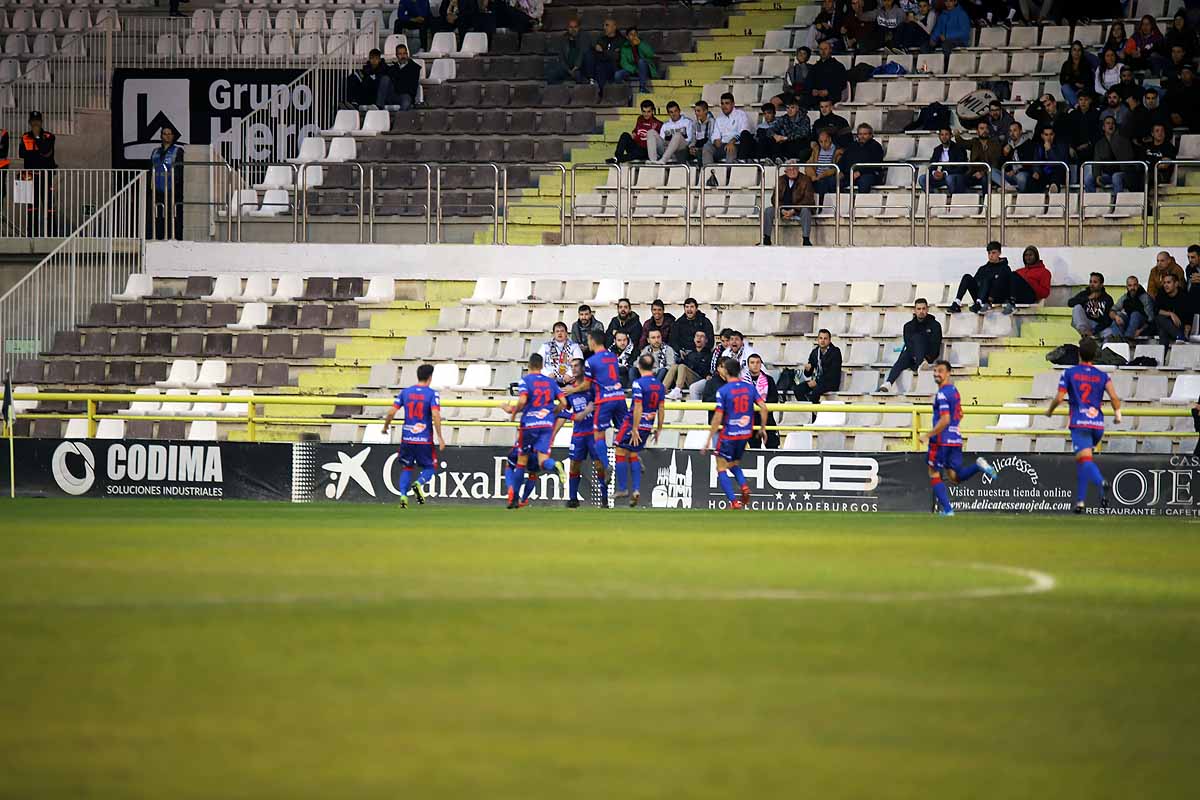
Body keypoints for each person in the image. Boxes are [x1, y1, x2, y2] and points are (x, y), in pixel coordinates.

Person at [1046, 337, 1122, 513]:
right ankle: (1080, 502)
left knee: (1085, 460)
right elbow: (1114, 397)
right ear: (1095, 355)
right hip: (1097, 425)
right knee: (1083, 460)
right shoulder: (1103, 375)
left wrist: (1049, 411)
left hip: (1080, 423)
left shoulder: (1069, 373)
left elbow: (1059, 397)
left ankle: (1101, 482)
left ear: (1079, 353)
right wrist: (1118, 415)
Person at [919, 360, 998, 517]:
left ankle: (948, 510)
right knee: (954, 477)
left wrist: (928, 435)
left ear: (948, 373)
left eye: (940, 371)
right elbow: (960, 414)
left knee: (933, 472)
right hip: (955, 438)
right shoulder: (954, 391)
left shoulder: (942, 394)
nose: (936, 374)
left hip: (941, 440)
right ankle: (978, 466)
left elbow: (945, 419)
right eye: (935, 371)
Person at [701, 358, 769, 510]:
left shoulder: (723, 391)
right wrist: (763, 428)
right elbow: (763, 408)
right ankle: (744, 486)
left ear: (725, 371)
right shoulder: (749, 388)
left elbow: (718, 416)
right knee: (733, 464)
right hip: (745, 433)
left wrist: (709, 438)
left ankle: (734, 501)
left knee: (720, 467)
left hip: (728, 433)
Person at [502, 353, 568, 509]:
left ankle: (515, 498)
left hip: (530, 425)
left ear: (529, 365)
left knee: (521, 461)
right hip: (546, 424)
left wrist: (513, 412)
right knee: (542, 461)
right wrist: (553, 412)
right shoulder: (550, 382)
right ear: (542, 365)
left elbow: (523, 400)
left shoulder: (526, 381)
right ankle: (555, 465)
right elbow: (564, 402)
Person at [380, 363, 447, 509]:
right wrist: (440, 437)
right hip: (424, 439)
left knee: (406, 467)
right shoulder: (432, 394)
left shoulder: (405, 392)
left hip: (407, 439)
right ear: (430, 377)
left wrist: (385, 427)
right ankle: (419, 483)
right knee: (430, 466)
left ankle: (403, 498)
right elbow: (435, 414)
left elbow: (391, 412)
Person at [564, 329, 628, 477]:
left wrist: (572, 390)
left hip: (605, 400)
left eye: (588, 340)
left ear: (592, 341)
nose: (588, 343)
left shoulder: (591, 361)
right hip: (619, 397)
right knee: (624, 431)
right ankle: (634, 459)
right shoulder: (613, 356)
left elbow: (586, 385)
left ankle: (607, 465)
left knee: (598, 435)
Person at [614, 355, 665, 506]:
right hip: (648, 425)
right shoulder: (660, 385)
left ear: (638, 366)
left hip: (633, 423)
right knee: (634, 453)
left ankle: (622, 488)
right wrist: (659, 428)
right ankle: (636, 489)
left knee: (620, 450)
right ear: (654, 366)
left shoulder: (638, 383)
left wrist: (634, 428)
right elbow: (661, 408)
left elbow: (638, 406)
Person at [561, 358, 607, 509]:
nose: (573, 369)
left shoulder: (592, 386)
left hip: (594, 432)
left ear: (583, 368)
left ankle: (604, 499)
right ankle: (573, 499)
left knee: (600, 466)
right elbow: (563, 410)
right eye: (571, 366)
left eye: (576, 366)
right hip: (579, 433)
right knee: (574, 465)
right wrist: (573, 416)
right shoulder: (569, 389)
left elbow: (600, 403)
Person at [879, 298, 942, 393]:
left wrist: (928, 358)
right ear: (915, 310)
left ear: (927, 309)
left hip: (927, 356)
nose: (921, 311)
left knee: (918, 338)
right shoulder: (908, 326)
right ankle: (888, 383)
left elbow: (936, 345)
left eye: (923, 309)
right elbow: (908, 344)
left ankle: (920, 363)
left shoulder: (935, 325)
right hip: (913, 356)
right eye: (919, 309)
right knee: (903, 357)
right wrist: (915, 357)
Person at [949, 241, 1016, 315]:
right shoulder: (983, 268)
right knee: (967, 277)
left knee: (987, 279)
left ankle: (979, 303)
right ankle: (957, 302)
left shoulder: (1005, 268)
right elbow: (976, 282)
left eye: (993, 253)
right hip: (981, 297)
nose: (991, 256)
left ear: (999, 253)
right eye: (989, 253)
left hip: (995, 298)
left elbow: (1007, 285)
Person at [20, 111, 57, 237]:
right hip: (30, 176)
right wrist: (39, 155)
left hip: (46, 176)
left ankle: (51, 234)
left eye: (38, 121)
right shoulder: (24, 136)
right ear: (29, 122)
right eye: (33, 121)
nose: (35, 123)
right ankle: (32, 235)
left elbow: (46, 152)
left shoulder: (49, 136)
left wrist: (36, 139)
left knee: (49, 207)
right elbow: (22, 154)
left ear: (41, 122)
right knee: (32, 207)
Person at [763, 161, 815, 247]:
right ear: (785, 172)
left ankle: (806, 239)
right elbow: (774, 198)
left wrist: (793, 210)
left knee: (806, 211)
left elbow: (808, 199)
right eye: (789, 169)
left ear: (798, 170)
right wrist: (782, 209)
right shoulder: (780, 179)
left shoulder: (805, 180)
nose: (792, 171)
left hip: (799, 209)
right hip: (782, 209)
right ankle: (766, 239)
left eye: (794, 169)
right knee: (768, 211)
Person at [787, 328, 842, 403]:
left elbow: (833, 373)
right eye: (820, 338)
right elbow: (808, 374)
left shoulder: (835, 352)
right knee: (798, 389)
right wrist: (807, 369)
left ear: (829, 340)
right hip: (817, 381)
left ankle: (814, 413)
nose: (822, 341)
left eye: (825, 339)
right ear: (817, 340)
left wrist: (817, 382)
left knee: (815, 393)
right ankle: (807, 409)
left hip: (830, 383)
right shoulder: (815, 352)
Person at [150, 124, 184, 241]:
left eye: (169, 134)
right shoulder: (155, 152)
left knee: (172, 214)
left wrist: (176, 184)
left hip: (172, 189)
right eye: (165, 134)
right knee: (158, 213)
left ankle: (172, 236)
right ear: (161, 136)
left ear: (173, 136)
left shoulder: (178, 151)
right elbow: (151, 169)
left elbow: (180, 170)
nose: (167, 136)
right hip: (157, 189)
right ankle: (158, 236)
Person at [1085, 116, 1134, 194]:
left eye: (1113, 123)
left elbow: (1128, 161)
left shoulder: (1124, 141)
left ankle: (1116, 205)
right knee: (1089, 179)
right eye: (1108, 123)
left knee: (1116, 177)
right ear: (1103, 127)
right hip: (1107, 175)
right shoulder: (1099, 144)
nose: (1111, 125)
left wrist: (1113, 141)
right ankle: (1092, 204)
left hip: (1122, 174)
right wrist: (1097, 175)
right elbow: (1096, 161)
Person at [664, 329, 711, 401]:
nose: (699, 338)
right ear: (694, 339)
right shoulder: (690, 353)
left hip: (699, 380)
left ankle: (677, 390)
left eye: (702, 336)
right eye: (697, 336)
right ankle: (662, 389)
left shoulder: (709, 354)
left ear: (706, 340)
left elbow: (704, 371)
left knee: (682, 366)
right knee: (675, 366)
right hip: (686, 379)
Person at [745, 354, 780, 449]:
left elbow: (774, 398)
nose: (755, 365)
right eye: (752, 362)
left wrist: (758, 404)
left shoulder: (769, 380)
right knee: (754, 448)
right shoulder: (743, 381)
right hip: (750, 420)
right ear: (748, 365)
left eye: (757, 362)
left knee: (773, 446)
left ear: (761, 364)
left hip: (767, 419)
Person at [1104, 275, 1155, 340]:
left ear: (1138, 285)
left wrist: (1140, 330)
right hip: (1129, 323)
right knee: (1118, 318)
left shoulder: (1145, 298)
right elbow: (1112, 310)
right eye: (1130, 285)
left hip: (1142, 325)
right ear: (1127, 287)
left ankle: (1127, 339)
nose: (1132, 288)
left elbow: (1151, 319)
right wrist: (1116, 317)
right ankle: (1119, 341)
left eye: (1135, 285)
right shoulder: (1125, 297)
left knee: (1135, 314)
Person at [920, 125, 967, 194]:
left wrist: (945, 173)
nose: (944, 137)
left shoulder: (959, 149)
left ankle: (952, 198)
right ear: (939, 136)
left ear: (951, 136)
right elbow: (931, 165)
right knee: (922, 179)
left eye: (946, 134)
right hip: (940, 176)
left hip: (953, 176)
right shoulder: (937, 149)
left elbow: (961, 167)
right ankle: (934, 195)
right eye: (942, 135)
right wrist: (934, 173)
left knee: (949, 178)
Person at [838, 123, 884, 194]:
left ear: (871, 135)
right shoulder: (852, 146)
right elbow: (843, 161)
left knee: (864, 182)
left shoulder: (876, 146)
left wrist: (860, 172)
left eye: (865, 134)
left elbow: (876, 164)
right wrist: (840, 171)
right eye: (860, 134)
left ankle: (861, 204)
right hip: (850, 174)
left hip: (868, 173)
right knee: (833, 181)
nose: (862, 136)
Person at [546, 17, 593, 84]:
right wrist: (568, 70)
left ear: (579, 28)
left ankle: (586, 80)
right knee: (552, 73)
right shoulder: (563, 39)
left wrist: (576, 67)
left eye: (575, 27)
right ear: (568, 28)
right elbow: (561, 57)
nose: (573, 29)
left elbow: (582, 53)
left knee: (588, 55)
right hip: (567, 69)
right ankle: (560, 89)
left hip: (579, 68)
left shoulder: (584, 37)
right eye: (571, 27)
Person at [926, 0, 970, 71]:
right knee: (925, 45)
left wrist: (947, 36)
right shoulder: (943, 15)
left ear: (955, 2)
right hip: (944, 40)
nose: (948, 3)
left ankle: (946, 70)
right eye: (946, 1)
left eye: (951, 1)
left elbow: (964, 33)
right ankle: (928, 69)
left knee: (946, 45)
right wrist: (933, 38)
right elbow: (938, 29)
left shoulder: (962, 14)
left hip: (959, 41)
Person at [1068, 272, 1115, 338]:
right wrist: (1088, 298)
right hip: (1086, 323)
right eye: (1090, 282)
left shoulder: (1107, 299)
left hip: (1099, 326)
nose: (1092, 284)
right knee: (1077, 307)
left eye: (1095, 282)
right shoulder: (1085, 294)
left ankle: (1103, 347)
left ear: (1101, 284)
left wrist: (1094, 331)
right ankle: (1085, 333)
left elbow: (1107, 321)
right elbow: (1070, 303)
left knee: (1109, 332)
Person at [1153, 272, 1193, 345]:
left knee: (1162, 327)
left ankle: (1162, 354)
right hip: (1166, 324)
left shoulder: (1184, 296)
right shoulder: (1161, 293)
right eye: (1164, 283)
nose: (1165, 285)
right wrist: (1171, 314)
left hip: (1179, 326)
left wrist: (1187, 330)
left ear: (1176, 284)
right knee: (1159, 320)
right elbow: (1156, 310)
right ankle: (1179, 336)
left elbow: (1189, 317)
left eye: (1168, 282)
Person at [539, 321, 584, 386]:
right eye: (557, 331)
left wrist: (569, 374)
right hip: (549, 381)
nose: (560, 333)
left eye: (562, 331)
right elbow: (539, 364)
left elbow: (579, 363)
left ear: (566, 333)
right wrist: (548, 374)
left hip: (569, 381)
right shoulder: (545, 346)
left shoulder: (574, 346)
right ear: (554, 333)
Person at [713, 92, 753, 163]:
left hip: (736, 144)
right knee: (707, 148)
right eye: (722, 103)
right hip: (722, 145)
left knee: (730, 149)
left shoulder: (741, 115)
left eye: (727, 103)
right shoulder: (719, 118)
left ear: (733, 104)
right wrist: (716, 141)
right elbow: (716, 135)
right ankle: (707, 171)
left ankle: (728, 173)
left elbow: (744, 132)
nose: (724, 106)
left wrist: (732, 142)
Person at [378, 43, 421, 110]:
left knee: (406, 100)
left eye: (404, 53)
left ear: (407, 54)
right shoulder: (393, 68)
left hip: (405, 95)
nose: (403, 56)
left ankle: (400, 120)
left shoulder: (414, 68)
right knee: (385, 78)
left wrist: (397, 82)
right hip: (393, 94)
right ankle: (379, 108)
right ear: (396, 55)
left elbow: (411, 87)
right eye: (400, 54)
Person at [615, 26, 656, 94]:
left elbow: (650, 54)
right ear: (627, 37)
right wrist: (634, 70)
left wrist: (640, 44)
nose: (634, 36)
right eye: (631, 34)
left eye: (635, 34)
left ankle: (642, 89)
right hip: (632, 70)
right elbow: (624, 63)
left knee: (641, 62)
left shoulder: (642, 43)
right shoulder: (624, 47)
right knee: (617, 75)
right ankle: (626, 93)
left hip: (644, 69)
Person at [807, 40, 847, 107]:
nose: (823, 51)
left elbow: (842, 83)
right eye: (821, 49)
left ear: (830, 50)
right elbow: (808, 82)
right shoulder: (814, 67)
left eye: (825, 49)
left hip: (832, 95)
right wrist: (813, 90)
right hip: (816, 96)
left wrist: (828, 91)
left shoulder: (838, 66)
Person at [807, 128, 843, 196]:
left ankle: (822, 204)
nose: (823, 144)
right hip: (816, 176)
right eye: (821, 142)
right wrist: (813, 176)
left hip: (829, 176)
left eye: (825, 141)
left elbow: (836, 168)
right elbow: (809, 164)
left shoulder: (837, 151)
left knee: (823, 183)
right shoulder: (816, 150)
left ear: (830, 139)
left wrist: (822, 175)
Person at [590, 17, 624, 89]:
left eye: (607, 25)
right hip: (602, 65)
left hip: (615, 67)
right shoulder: (601, 39)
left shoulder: (621, 40)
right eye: (604, 25)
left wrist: (603, 51)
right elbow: (598, 55)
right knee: (599, 66)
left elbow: (616, 56)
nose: (604, 28)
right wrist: (609, 53)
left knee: (604, 67)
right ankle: (601, 92)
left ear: (614, 27)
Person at [1059, 41, 1095, 108]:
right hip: (1072, 90)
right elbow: (1062, 80)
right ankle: (1077, 106)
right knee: (1065, 87)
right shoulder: (1066, 64)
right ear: (1071, 52)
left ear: (1082, 52)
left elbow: (1089, 80)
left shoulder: (1086, 64)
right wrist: (1074, 83)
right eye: (1074, 50)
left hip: (1084, 90)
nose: (1076, 52)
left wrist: (1080, 86)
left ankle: (1075, 106)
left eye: (1079, 50)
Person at [687, 101, 717, 167]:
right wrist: (691, 147)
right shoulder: (695, 123)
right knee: (684, 151)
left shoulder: (712, 122)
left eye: (698, 111)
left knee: (701, 151)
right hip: (698, 146)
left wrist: (699, 148)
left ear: (705, 111)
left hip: (708, 146)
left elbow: (711, 138)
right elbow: (693, 138)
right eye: (695, 111)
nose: (696, 113)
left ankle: (702, 172)